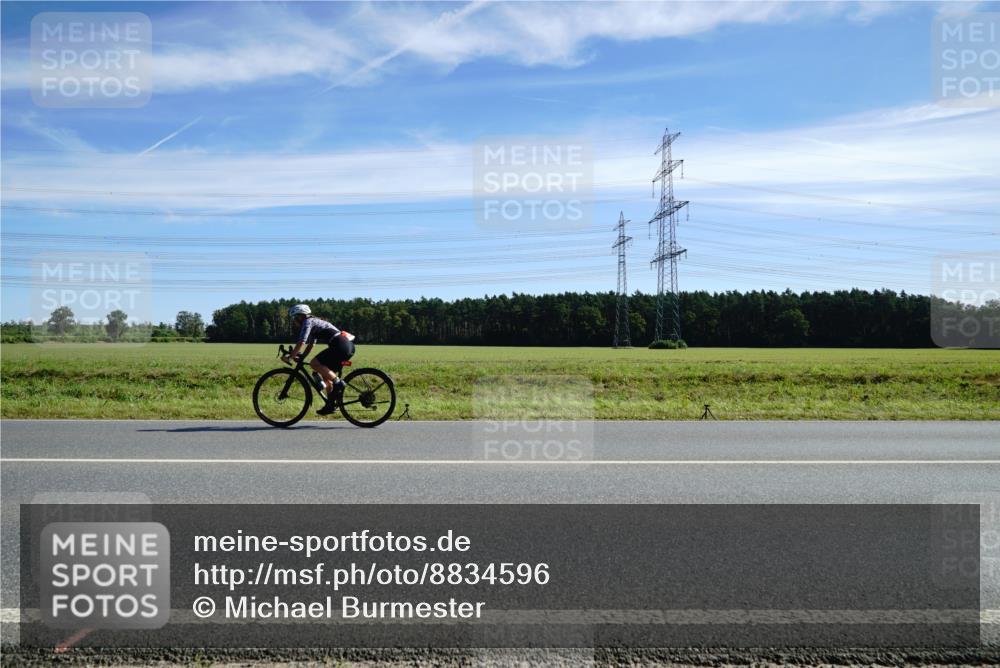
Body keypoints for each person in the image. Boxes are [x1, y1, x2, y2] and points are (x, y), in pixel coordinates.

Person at [282, 304, 355, 415]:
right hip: (345, 346)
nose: (294, 321)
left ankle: (338, 383)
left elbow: (302, 341)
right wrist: (301, 357)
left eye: (295, 318)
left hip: (340, 345)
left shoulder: (308, 322)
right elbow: (310, 345)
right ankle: (330, 405)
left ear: (301, 316)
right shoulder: (314, 323)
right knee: (326, 376)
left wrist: (291, 357)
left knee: (314, 363)